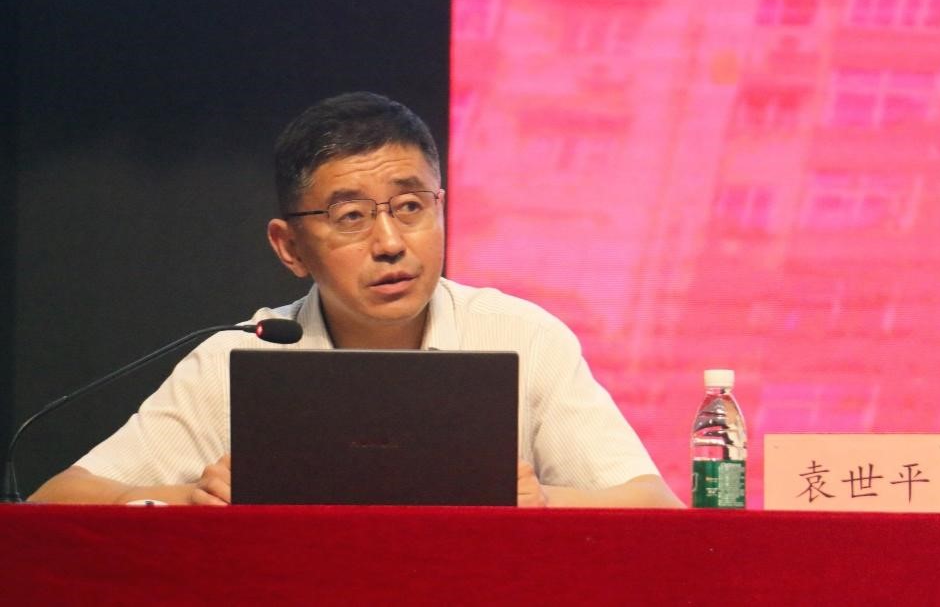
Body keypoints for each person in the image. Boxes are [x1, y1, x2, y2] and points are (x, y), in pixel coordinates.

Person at [30, 92, 683, 509]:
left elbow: (652, 503)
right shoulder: (239, 356)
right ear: (290, 246)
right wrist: (190, 497)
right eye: (350, 217)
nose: (391, 242)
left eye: (410, 207)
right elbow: (56, 499)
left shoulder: (522, 336)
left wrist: (540, 501)